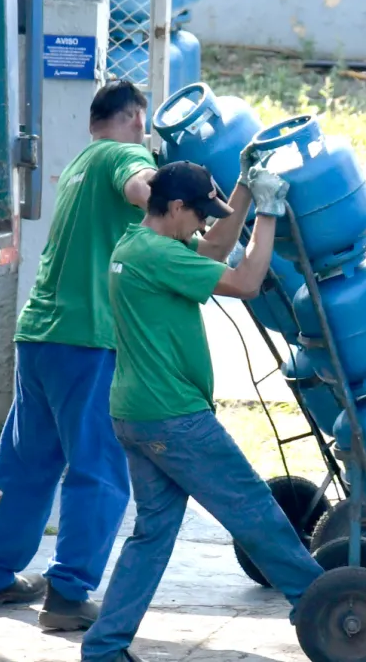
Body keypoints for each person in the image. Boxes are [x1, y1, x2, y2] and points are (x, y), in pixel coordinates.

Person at [80, 161, 324, 662]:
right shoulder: (158, 256)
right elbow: (246, 281)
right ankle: (327, 609)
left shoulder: (140, 244)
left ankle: (104, 649)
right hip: (174, 417)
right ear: (174, 208)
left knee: (151, 535)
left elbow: (213, 249)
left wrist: (240, 190)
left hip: (135, 414)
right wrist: (270, 213)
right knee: (255, 511)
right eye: (199, 214)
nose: (204, 224)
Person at [0, 80, 159, 630]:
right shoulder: (125, 154)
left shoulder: (79, 164)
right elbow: (141, 185)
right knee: (98, 466)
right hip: (87, 338)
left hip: (39, 335)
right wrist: (164, 191)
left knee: (28, 464)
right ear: (136, 120)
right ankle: (69, 596)